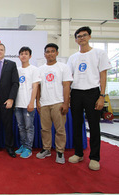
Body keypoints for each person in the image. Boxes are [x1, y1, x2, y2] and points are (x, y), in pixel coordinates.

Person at [67, 26, 112, 171]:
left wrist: (101, 96)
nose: (82, 38)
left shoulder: (99, 53)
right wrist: (67, 97)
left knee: (94, 126)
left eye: (84, 35)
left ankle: (94, 157)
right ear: (76, 40)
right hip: (76, 93)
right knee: (76, 125)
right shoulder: (73, 58)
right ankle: (78, 153)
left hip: (93, 92)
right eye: (79, 36)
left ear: (89, 37)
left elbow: (103, 76)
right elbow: (69, 78)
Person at [36, 43, 73, 164]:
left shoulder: (63, 67)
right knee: (45, 129)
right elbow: (38, 88)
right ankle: (46, 149)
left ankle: (60, 151)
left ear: (57, 53)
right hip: (44, 103)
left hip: (58, 102)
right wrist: (37, 101)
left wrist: (66, 103)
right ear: (44, 54)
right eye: (47, 52)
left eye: (52, 51)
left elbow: (67, 85)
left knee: (60, 129)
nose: (50, 54)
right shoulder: (40, 69)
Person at [14, 46, 41, 158]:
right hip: (17, 104)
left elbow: (35, 87)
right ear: (19, 56)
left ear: (30, 56)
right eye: (21, 54)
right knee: (21, 126)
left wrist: (32, 102)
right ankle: (23, 145)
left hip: (28, 104)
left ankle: (29, 148)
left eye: (26, 53)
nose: (23, 55)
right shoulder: (17, 70)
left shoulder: (34, 69)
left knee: (29, 127)